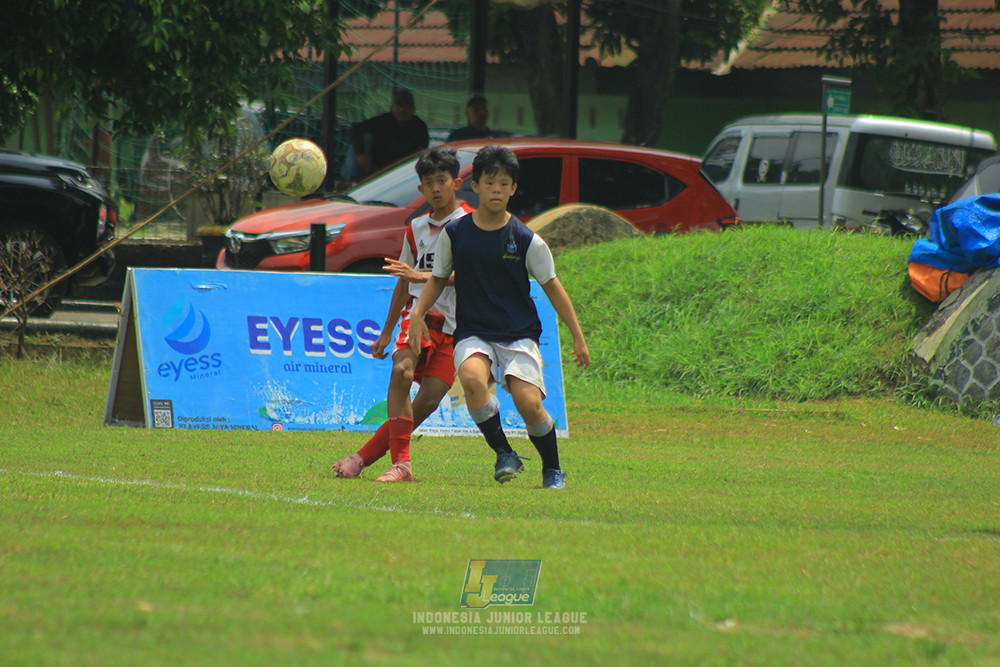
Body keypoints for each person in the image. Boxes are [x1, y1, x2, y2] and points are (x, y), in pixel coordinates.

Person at [408, 145, 590, 490]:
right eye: (490, 183)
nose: (497, 190)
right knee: (473, 380)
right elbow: (436, 278)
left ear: (513, 190)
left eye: (504, 184)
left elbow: (553, 288)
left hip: (518, 333)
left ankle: (552, 468)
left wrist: (578, 337)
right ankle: (505, 453)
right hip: (473, 331)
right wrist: (418, 313)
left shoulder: (526, 240)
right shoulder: (456, 233)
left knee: (529, 404)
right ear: (474, 186)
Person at [332, 147, 473, 482]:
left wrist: (421, 277)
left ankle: (361, 457)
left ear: (457, 183)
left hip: (457, 328)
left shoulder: (470, 225)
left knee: (428, 401)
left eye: (442, 180)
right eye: (428, 183)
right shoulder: (415, 228)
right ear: (421, 190)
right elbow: (402, 283)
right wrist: (385, 332)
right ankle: (403, 466)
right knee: (402, 372)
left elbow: (473, 277)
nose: (436, 188)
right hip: (418, 318)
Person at [349, 89, 429, 179]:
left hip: (405, 172)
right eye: (399, 105)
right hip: (376, 169)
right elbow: (356, 129)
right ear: (392, 108)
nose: (403, 110)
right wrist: (361, 154)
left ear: (413, 109)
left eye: (407, 106)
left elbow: (423, 151)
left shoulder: (419, 126)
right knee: (362, 140)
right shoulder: (382, 121)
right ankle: (352, 180)